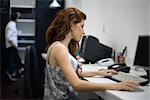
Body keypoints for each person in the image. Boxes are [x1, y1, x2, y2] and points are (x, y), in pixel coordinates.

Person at [44, 7, 139, 100]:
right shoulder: (59, 49)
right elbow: (77, 84)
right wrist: (117, 86)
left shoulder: (59, 46)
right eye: (82, 26)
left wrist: (99, 73)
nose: (83, 32)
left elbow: (74, 73)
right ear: (72, 25)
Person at [5, 12, 24, 81]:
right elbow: (9, 37)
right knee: (12, 62)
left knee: (17, 60)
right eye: (18, 17)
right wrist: (14, 45)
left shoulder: (11, 24)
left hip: (12, 46)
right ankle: (11, 76)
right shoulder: (11, 25)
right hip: (11, 46)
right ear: (16, 18)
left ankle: (18, 72)